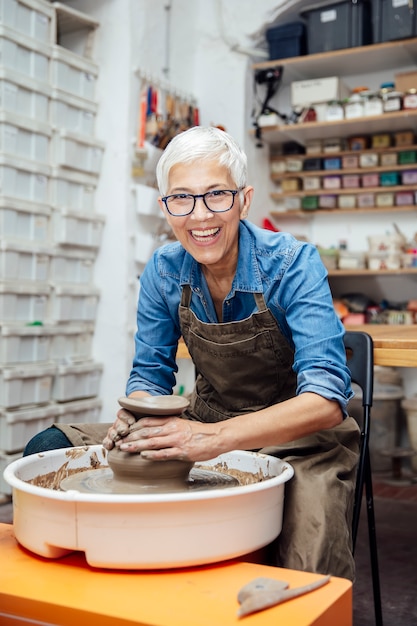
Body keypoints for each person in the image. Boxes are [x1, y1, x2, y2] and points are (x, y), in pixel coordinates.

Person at [24, 126, 359, 580]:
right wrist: (137, 414)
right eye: (181, 198)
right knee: (51, 447)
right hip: (203, 422)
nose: (200, 216)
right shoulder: (164, 269)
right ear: (166, 207)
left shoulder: (294, 263)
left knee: (307, 556)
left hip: (299, 439)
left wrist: (211, 441)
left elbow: (325, 402)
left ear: (244, 199)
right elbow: (149, 374)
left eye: (216, 194)